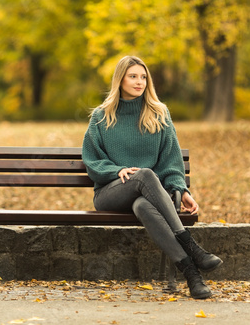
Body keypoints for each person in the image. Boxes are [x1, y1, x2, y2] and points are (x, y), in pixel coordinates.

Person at [82, 56, 222, 299]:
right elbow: (91, 160)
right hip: (110, 193)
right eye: (133, 76)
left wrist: (182, 190)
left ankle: (192, 275)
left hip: (149, 196)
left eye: (143, 77)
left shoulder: (159, 113)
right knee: (144, 174)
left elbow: (171, 162)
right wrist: (116, 171)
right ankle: (191, 246)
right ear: (120, 79)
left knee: (144, 205)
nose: (139, 82)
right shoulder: (101, 116)